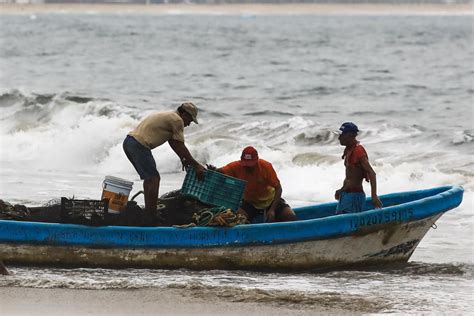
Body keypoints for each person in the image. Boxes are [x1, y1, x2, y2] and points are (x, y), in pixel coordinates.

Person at [123, 102, 205, 213]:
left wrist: (183, 158)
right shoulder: (177, 120)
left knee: (150, 178)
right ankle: (151, 215)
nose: (189, 124)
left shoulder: (170, 117)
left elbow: (173, 142)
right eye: (190, 120)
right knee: (153, 179)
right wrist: (196, 165)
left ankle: (149, 211)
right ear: (184, 114)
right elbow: (180, 145)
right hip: (139, 145)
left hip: (129, 142)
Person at [216, 146, 297, 223]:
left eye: (251, 165)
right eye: (245, 165)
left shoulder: (266, 166)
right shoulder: (235, 166)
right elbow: (219, 172)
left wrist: (272, 210)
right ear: (241, 161)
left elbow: (278, 188)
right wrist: (209, 170)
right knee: (237, 219)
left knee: (290, 216)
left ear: (256, 161)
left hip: (270, 200)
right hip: (250, 203)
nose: (248, 168)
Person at [334, 122, 383, 214]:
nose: (339, 138)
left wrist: (374, 196)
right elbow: (351, 177)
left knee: (348, 223)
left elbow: (371, 173)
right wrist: (342, 190)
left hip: (354, 196)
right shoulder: (348, 150)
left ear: (350, 135)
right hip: (346, 194)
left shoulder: (358, 151)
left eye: (341, 135)